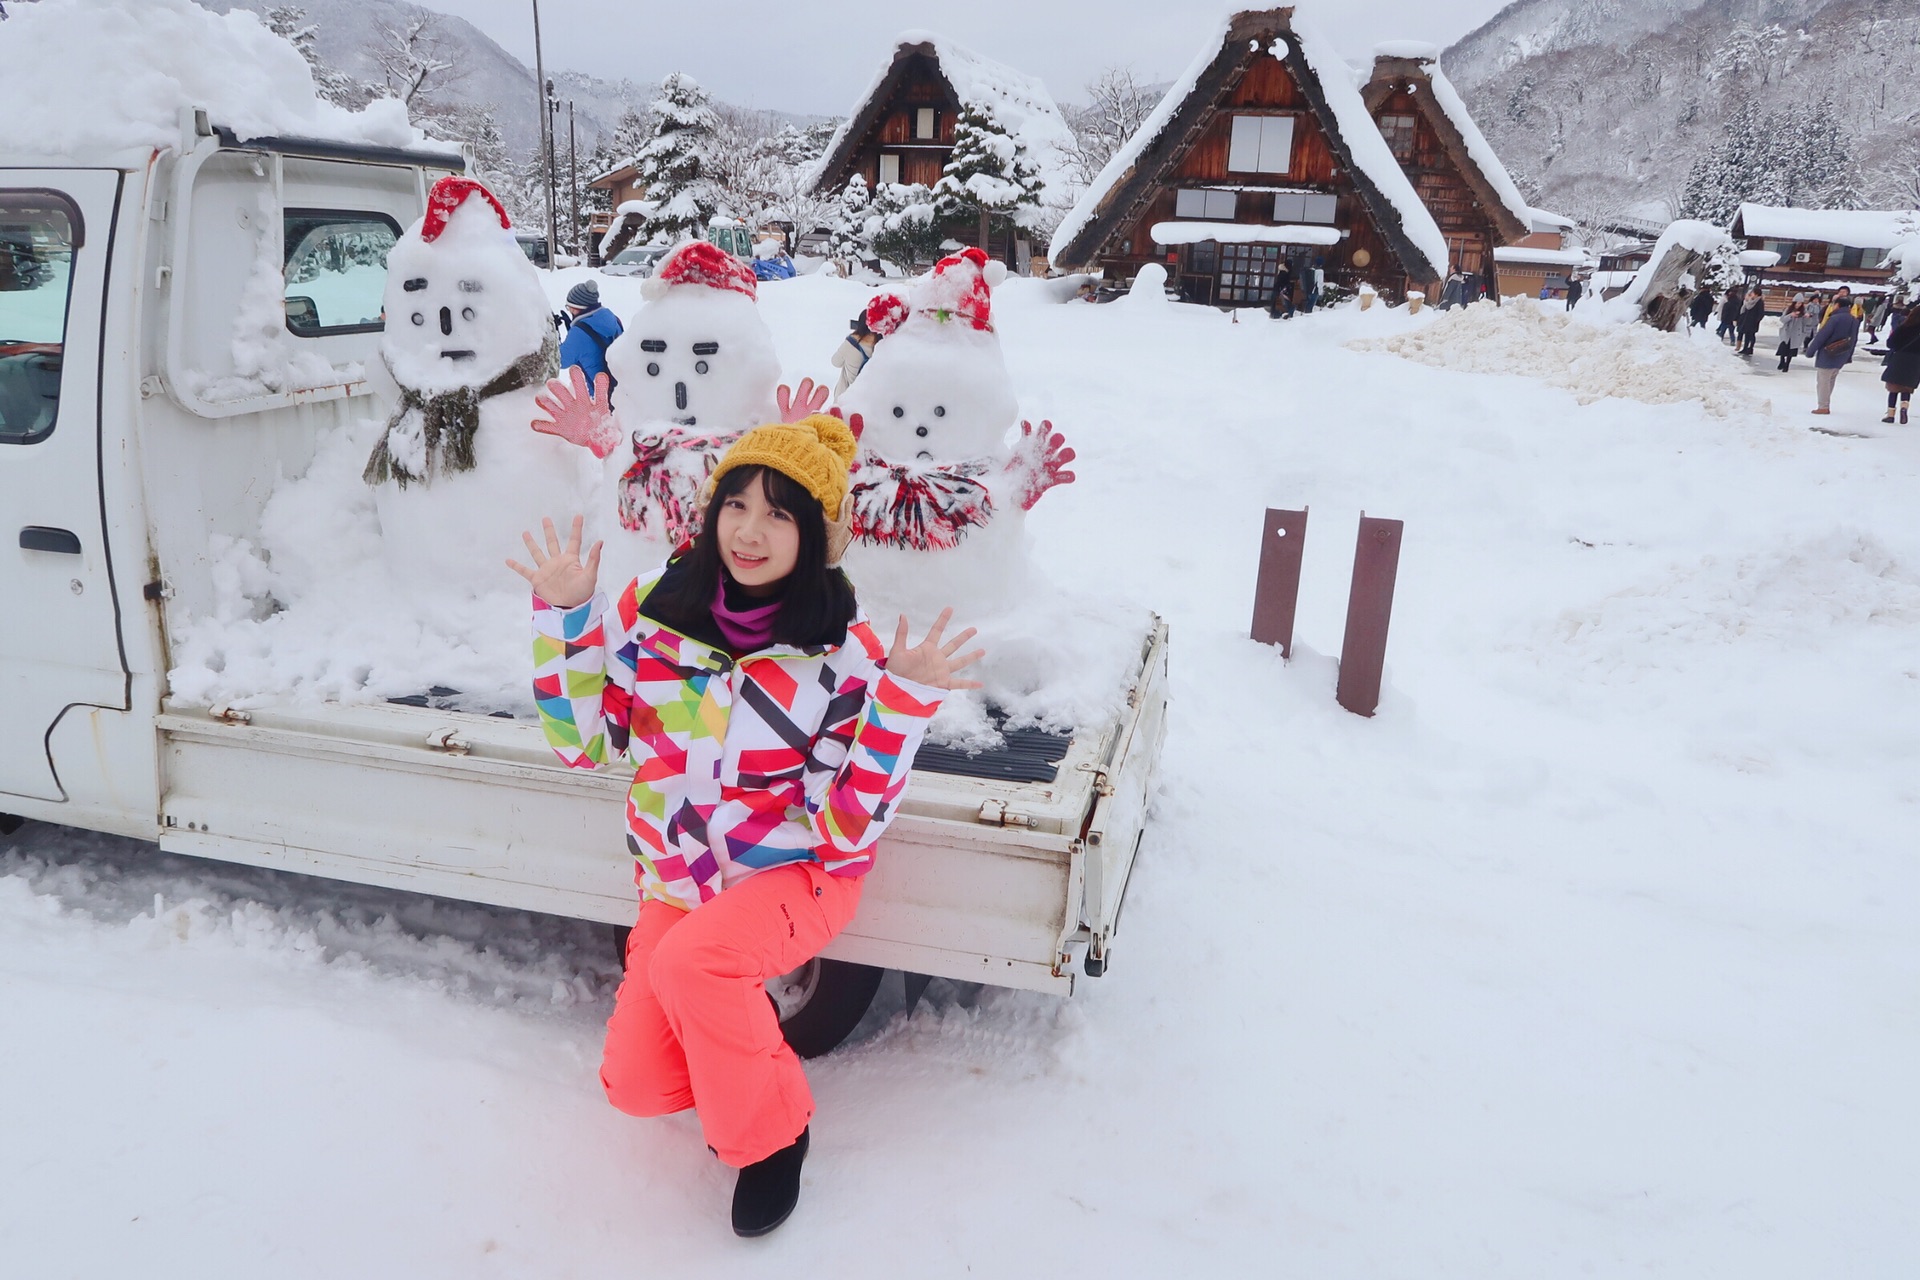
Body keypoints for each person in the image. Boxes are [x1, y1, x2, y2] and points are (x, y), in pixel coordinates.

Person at [508, 416, 982, 1238]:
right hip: (682, 879)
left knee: (696, 964)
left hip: (797, 877)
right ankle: (741, 1061)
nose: (750, 532)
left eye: (780, 515)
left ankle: (774, 1132)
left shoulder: (840, 653)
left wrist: (900, 709)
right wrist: (567, 619)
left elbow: (845, 829)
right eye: (737, 505)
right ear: (711, 509)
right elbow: (584, 746)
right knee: (636, 1085)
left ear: (815, 536)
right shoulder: (656, 615)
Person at [558, 279, 623, 401]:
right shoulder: (614, 320)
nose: (570, 311)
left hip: (597, 397)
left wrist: (556, 336)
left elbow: (560, 361)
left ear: (578, 307)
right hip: (618, 391)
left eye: (570, 307)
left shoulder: (579, 334)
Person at [1806, 288, 1862, 415]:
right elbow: (1853, 339)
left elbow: (1822, 336)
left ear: (1837, 305)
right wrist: (1849, 355)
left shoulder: (1835, 319)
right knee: (1831, 380)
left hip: (1828, 353)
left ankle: (1823, 406)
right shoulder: (1853, 320)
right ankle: (1825, 404)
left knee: (1823, 381)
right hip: (1842, 354)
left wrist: (1810, 351)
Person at [1879, 302, 1918, 425]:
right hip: (1916, 360)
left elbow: (1891, 343)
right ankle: (1904, 407)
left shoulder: (1905, 326)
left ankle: (1890, 415)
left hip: (1900, 358)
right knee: (1906, 386)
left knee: (1894, 387)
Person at [829, 311, 877, 396]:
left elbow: (835, 362)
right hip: (870, 399)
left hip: (847, 399)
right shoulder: (883, 346)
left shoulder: (851, 344)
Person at [1775, 298, 1813, 372]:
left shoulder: (1804, 311)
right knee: (1783, 347)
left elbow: (1806, 323)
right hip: (1787, 332)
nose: (1799, 305)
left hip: (1796, 333)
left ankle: (1787, 364)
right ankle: (1782, 361)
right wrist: (1790, 315)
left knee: (1792, 349)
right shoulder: (1788, 309)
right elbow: (1782, 320)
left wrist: (1807, 317)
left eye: (1800, 303)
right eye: (1797, 303)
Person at [1735, 286, 1766, 356]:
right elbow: (1745, 309)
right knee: (1746, 335)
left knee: (1750, 335)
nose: (1751, 294)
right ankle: (1745, 348)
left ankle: (1750, 348)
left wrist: (1756, 320)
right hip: (1746, 320)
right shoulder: (1750, 301)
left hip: (1753, 322)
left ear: (1756, 294)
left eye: (1753, 293)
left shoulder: (1759, 302)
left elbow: (1761, 313)